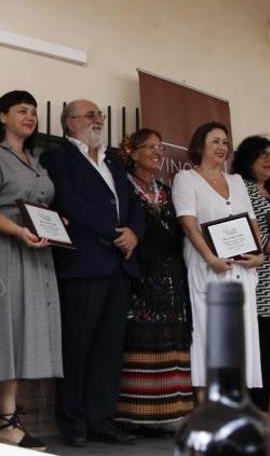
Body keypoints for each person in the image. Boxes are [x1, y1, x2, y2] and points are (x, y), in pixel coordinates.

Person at [40, 99, 144, 447]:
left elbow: (134, 204)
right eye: (90, 115)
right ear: (70, 124)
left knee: (109, 350)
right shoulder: (58, 157)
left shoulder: (113, 160)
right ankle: (72, 423)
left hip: (118, 266)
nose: (98, 119)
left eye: (100, 114)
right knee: (77, 346)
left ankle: (102, 420)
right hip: (84, 265)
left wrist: (134, 232)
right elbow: (69, 203)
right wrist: (117, 233)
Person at [0, 90, 62, 450]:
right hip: (8, 250)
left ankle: (10, 417)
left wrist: (55, 225)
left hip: (37, 255)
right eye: (21, 110)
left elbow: (39, 207)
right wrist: (19, 231)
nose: (29, 116)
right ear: (3, 116)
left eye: (34, 112)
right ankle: (5, 422)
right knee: (7, 331)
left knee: (27, 333)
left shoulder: (37, 160)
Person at [171, 123, 264, 396]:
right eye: (215, 141)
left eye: (225, 142)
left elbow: (252, 222)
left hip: (240, 271)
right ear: (200, 146)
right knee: (209, 337)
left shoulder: (236, 181)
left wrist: (258, 254)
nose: (222, 147)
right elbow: (188, 223)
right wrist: (210, 258)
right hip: (208, 269)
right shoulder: (186, 179)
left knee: (240, 338)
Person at [115, 129, 193, 432]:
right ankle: (139, 414)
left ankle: (172, 412)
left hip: (171, 274)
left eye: (161, 147)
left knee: (171, 338)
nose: (158, 152)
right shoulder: (123, 187)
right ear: (132, 153)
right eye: (150, 147)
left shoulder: (166, 189)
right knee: (141, 338)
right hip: (140, 273)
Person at [231, 136, 270, 429]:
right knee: (254, 348)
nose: (268, 161)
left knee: (268, 347)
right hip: (260, 279)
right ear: (247, 160)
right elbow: (243, 228)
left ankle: (263, 413)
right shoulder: (240, 188)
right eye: (261, 156)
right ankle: (250, 414)